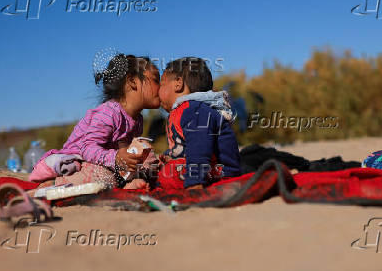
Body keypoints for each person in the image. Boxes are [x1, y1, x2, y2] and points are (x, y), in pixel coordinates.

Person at [29, 54, 160, 190]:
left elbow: (125, 151)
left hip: (109, 164)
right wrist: (116, 157)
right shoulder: (109, 112)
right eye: (156, 80)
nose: (160, 87)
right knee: (102, 176)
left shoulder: (138, 119)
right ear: (133, 81)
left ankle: (126, 183)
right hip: (80, 162)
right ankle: (56, 184)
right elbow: (88, 149)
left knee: (149, 160)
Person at [157, 57, 241, 189]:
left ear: (178, 84)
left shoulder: (194, 109)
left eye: (161, 84)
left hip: (220, 174)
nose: (157, 90)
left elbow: (200, 146)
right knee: (162, 170)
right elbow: (186, 145)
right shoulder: (186, 109)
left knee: (167, 175)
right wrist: (171, 155)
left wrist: (195, 182)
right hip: (207, 170)